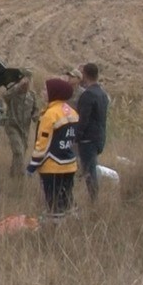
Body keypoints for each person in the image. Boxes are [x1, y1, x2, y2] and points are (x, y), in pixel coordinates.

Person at [28, 77, 80, 218]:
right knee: (67, 199)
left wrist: (32, 165)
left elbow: (43, 143)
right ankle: (71, 224)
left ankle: (54, 229)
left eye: (45, 89)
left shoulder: (50, 114)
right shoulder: (72, 112)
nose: (42, 92)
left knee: (54, 203)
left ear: (54, 92)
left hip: (52, 166)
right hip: (70, 165)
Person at [75, 63, 109, 203]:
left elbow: (83, 119)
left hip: (87, 138)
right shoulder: (102, 94)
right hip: (99, 136)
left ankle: (93, 200)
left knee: (90, 171)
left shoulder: (87, 95)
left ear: (85, 75)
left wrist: (76, 136)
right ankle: (92, 198)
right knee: (91, 168)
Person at [0, 70, 40, 178]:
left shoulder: (32, 95)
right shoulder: (13, 92)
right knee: (18, 151)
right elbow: (5, 96)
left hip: (24, 129)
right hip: (12, 126)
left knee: (20, 153)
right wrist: (17, 86)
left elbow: (36, 110)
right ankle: (21, 176)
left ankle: (13, 176)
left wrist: (36, 116)